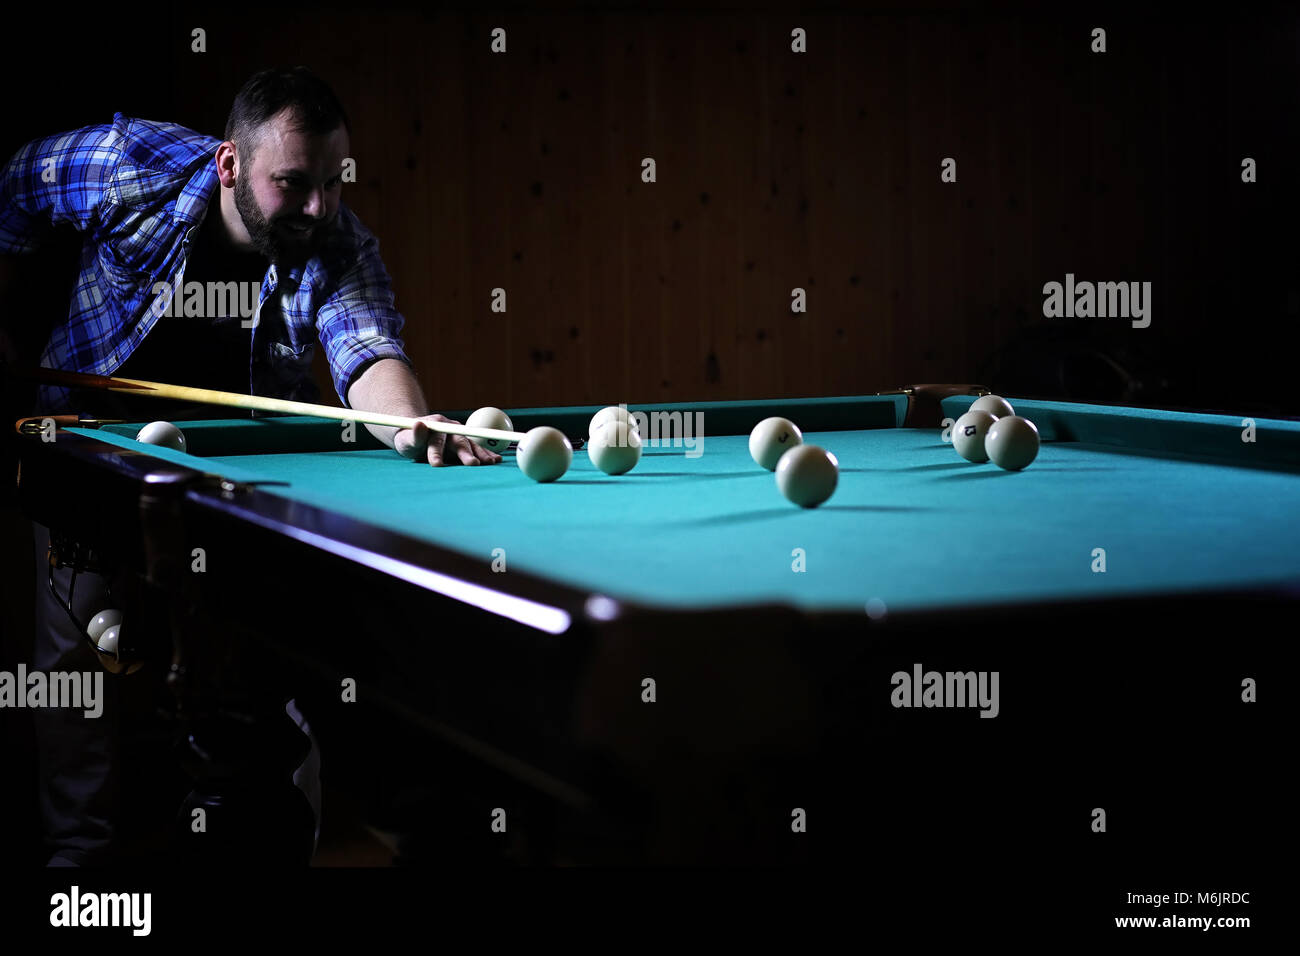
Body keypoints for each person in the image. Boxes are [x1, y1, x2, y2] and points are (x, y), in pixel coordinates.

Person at [0, 66, 497, 864]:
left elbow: (366, 347)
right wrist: (10, 326)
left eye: (333, 182)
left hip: (241, 474)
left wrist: (410, 424)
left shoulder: (334, 240)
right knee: (75, 671)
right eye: (293, 183)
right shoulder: (128, 166)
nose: (317, 206)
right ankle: (76, 867)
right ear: (230, 163)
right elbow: (13, 189)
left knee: (272, 658)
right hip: (88, 446)